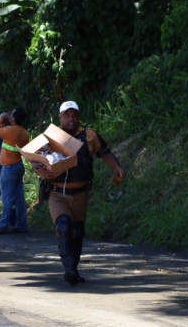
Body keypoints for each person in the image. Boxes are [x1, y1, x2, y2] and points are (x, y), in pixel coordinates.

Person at [32, 101, 126, 285]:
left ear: (79, 116)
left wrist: (117, 167)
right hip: (57, 193)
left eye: (74, 115)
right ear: (60, 117)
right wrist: (38, 166)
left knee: (78, 232)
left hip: (80, 193)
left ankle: (73, 269)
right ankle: (68, 269)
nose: (71, 119)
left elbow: (104, 152)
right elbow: (33, 156)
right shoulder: (49, 136)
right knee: (64, 226)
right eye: (67, 115)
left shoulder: (89, 135)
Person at [0, 108, 30, 234]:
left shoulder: (9, 130)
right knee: (19, 197)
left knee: (7, 197)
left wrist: (1, 119)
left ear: (14, 118)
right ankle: (22, 224)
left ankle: (3, 224)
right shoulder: (24, 133)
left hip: (8, 168)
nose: (9, 116)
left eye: (11, 115)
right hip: (18, 166)